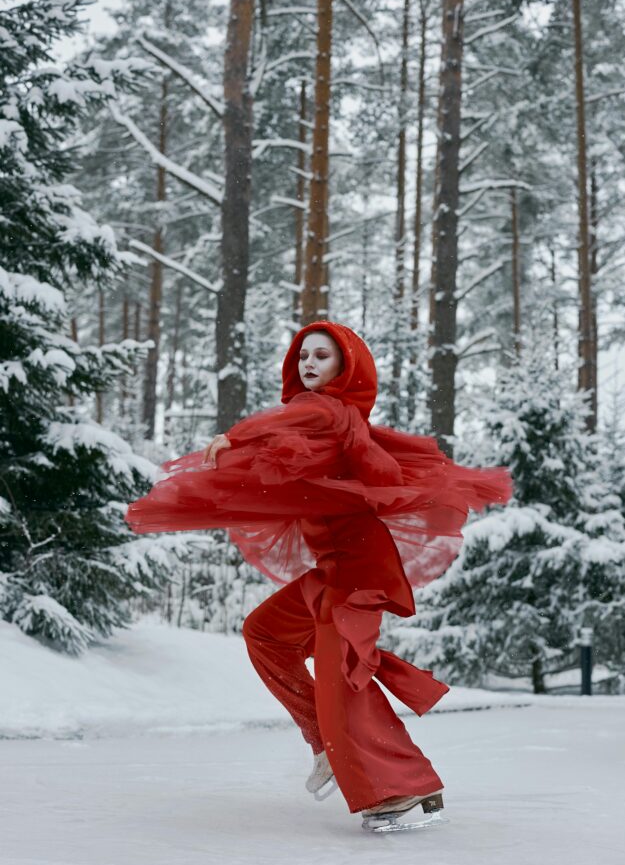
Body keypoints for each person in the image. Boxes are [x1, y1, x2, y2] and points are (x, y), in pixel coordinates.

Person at [125, 321, 514, 832]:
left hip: (356, 574)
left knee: (343, 681)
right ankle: (326, 741)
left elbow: (287, 420)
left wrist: (235, 436)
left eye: (322, 356)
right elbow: (292, 437)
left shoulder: (328, 411)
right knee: (266, 633)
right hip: (335, 571)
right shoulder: (324, 426)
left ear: (345, 368)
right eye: (303, 355)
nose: (308, 363)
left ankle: (402, 790)